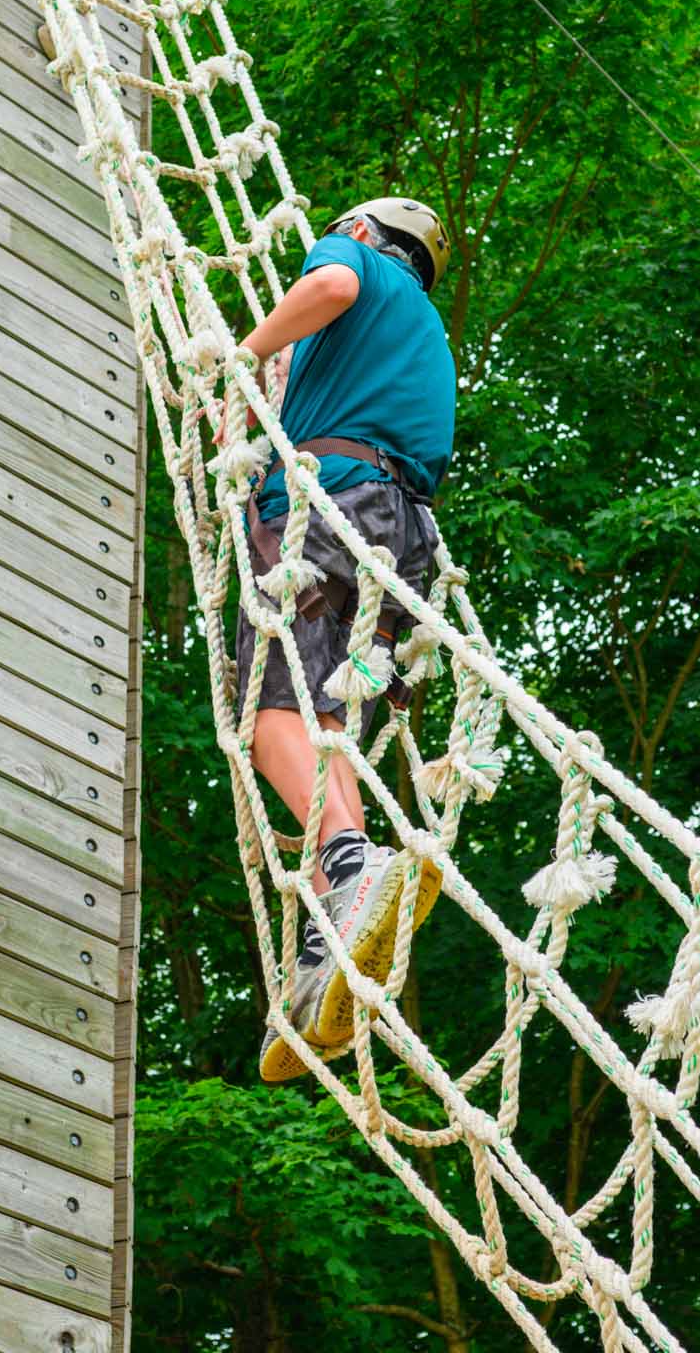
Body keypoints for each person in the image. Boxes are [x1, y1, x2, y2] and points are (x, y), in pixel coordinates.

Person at [231, 196, 455, 1082]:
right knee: (324, 728)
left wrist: (245, 357)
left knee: (271, 718)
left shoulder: (354, 256)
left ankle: (349, 863)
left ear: (370, 235)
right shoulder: (424, 332)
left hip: (328, 511)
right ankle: (336, 929)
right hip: (402, 537)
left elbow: (324, 282)